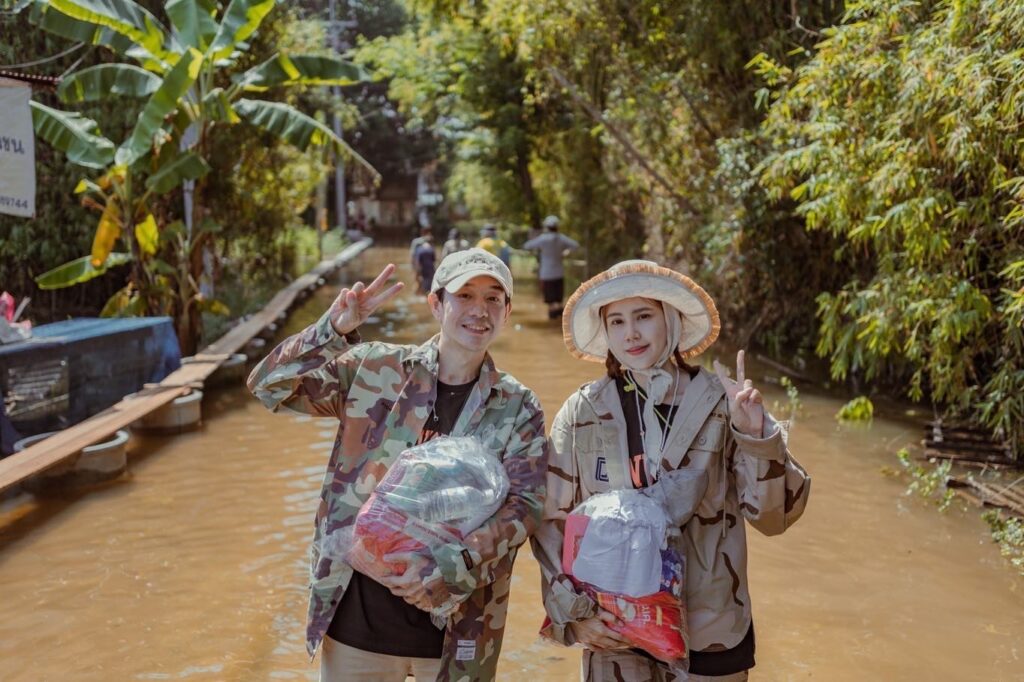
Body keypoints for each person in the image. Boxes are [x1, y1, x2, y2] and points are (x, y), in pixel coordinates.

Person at [248, 250, 549, 681]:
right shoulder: (373, 368)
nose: (479, 310)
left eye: (493, 299)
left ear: (507, 312)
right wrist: (332, 330)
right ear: (436, 304)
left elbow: (525, 507)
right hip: (357, 627)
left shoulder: (517, 405)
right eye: (464, 295)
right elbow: (268, 387)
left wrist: (447, 565)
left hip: (458, 634)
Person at [531, 260, 811, 681]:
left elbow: (775, 518)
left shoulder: (724, 404)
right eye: (617, 321)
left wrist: (756, 435)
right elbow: (552, 522)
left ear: (671, 320)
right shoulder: (582, 411)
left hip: (712, 628)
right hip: (615, 627)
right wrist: (573, 614)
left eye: (644, 316)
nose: (631, 333)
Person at [522, 215, 580, 319]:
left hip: (546, 274)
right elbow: (575, 245)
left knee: (551, 303)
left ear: (547, 227)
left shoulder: (543, 239)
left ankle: (553, 320)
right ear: (557, 226)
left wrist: (534, 236)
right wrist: (565, 252)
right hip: (559, 273)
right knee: (559, 301)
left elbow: (527, 246)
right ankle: (560, 322)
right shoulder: (561, 238)